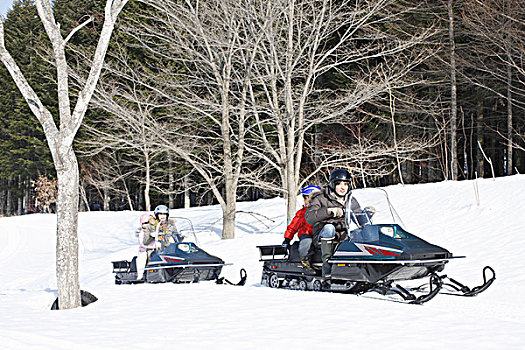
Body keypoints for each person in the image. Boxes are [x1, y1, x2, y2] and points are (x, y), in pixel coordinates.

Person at [305, 169, 357, 278]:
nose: (343, 187)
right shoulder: (320, 198)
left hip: (344, 234)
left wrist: (368, 213)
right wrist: (328, 211)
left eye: (346, 184)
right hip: (323, 235)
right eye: (339, 184)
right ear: (332, 184)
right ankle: (327, 264)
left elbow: (359, 217)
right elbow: (309, 217)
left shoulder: (351, 199)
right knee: (329, 228)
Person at [281, 185, 321, 270]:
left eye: (307, 198)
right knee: (306, 242)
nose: (305, 201)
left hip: (319, 235)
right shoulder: (302, 213)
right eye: (305, 198)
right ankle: (305, 259)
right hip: (306, 234)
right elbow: (293, 226)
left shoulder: (322, 211)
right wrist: (287, 239)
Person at [136, 212, 156, 280]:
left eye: (149, 223)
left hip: (156, 248)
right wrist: (151, 237)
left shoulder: (155, 230)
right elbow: (143, 243)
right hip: (145, 250)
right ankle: (140, 275)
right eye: (145, 223)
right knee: (142, 258)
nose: (147, 225)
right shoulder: (142, 233)